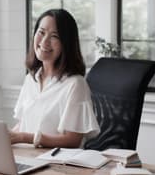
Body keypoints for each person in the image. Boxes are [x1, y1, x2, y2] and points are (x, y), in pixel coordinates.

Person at [10, 9, 99, 148]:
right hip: (27, 156)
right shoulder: (30, 79)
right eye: (41, 32)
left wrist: (23, 137)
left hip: (56, 164)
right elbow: (23, 124)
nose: (44, 41)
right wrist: (5, 136)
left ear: (66, 43)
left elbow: (72, 140)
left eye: (54, 36)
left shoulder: (75, 84)